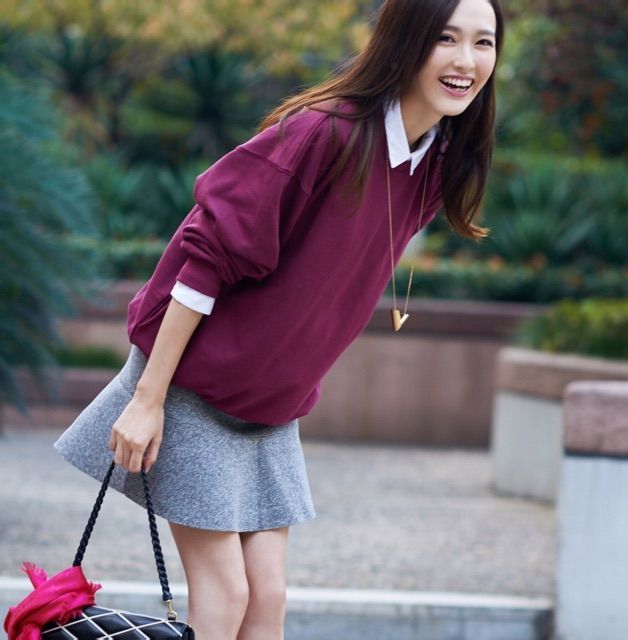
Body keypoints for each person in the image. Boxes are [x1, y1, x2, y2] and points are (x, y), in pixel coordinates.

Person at [54, 0, 504, 638]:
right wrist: (148, 398)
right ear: (405, 42)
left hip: (269, 409)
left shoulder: (436, 159)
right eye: (446, 39)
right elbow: (206, 256)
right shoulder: (324, 133)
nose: (466, 60)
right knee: (227, 595)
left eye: (483, 43)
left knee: (267, 600)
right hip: (190, 388)